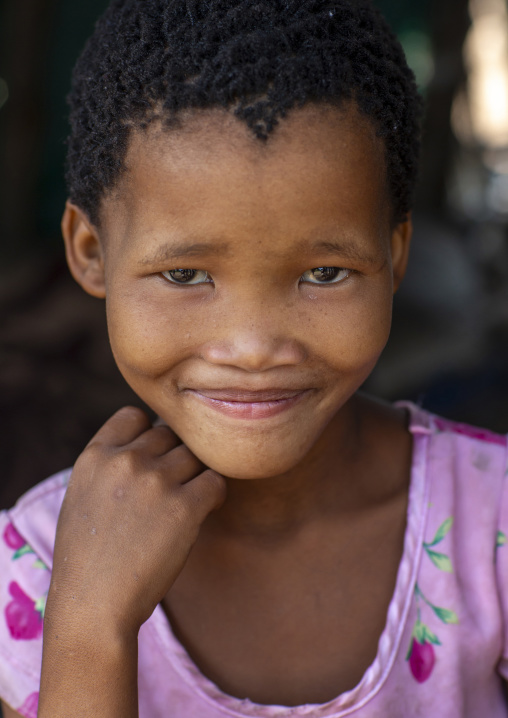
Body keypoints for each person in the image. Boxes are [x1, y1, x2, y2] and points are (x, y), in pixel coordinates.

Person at [0, 0, 507, 715]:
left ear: (393, 257)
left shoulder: (492, 525)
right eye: (185, 275)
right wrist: (88, 631)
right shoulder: (35, 566)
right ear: (91, 252)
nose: (254, 347)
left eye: (324, 274)